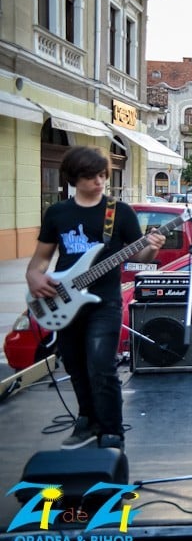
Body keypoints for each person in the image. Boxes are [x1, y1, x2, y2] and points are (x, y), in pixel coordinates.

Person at [26, 146, 165, 450]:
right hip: (63, 298)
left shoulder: (119, 212)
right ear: (74, 178)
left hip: (105, 302)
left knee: (101, 364)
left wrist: (152, 246)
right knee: (75, 364)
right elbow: (40, 260)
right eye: (91, 177)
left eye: (102, 175)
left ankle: (112, 429)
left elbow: (139, 254)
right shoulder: (57, 213)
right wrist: (34, 276)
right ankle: (87, 419)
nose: (100, 181)